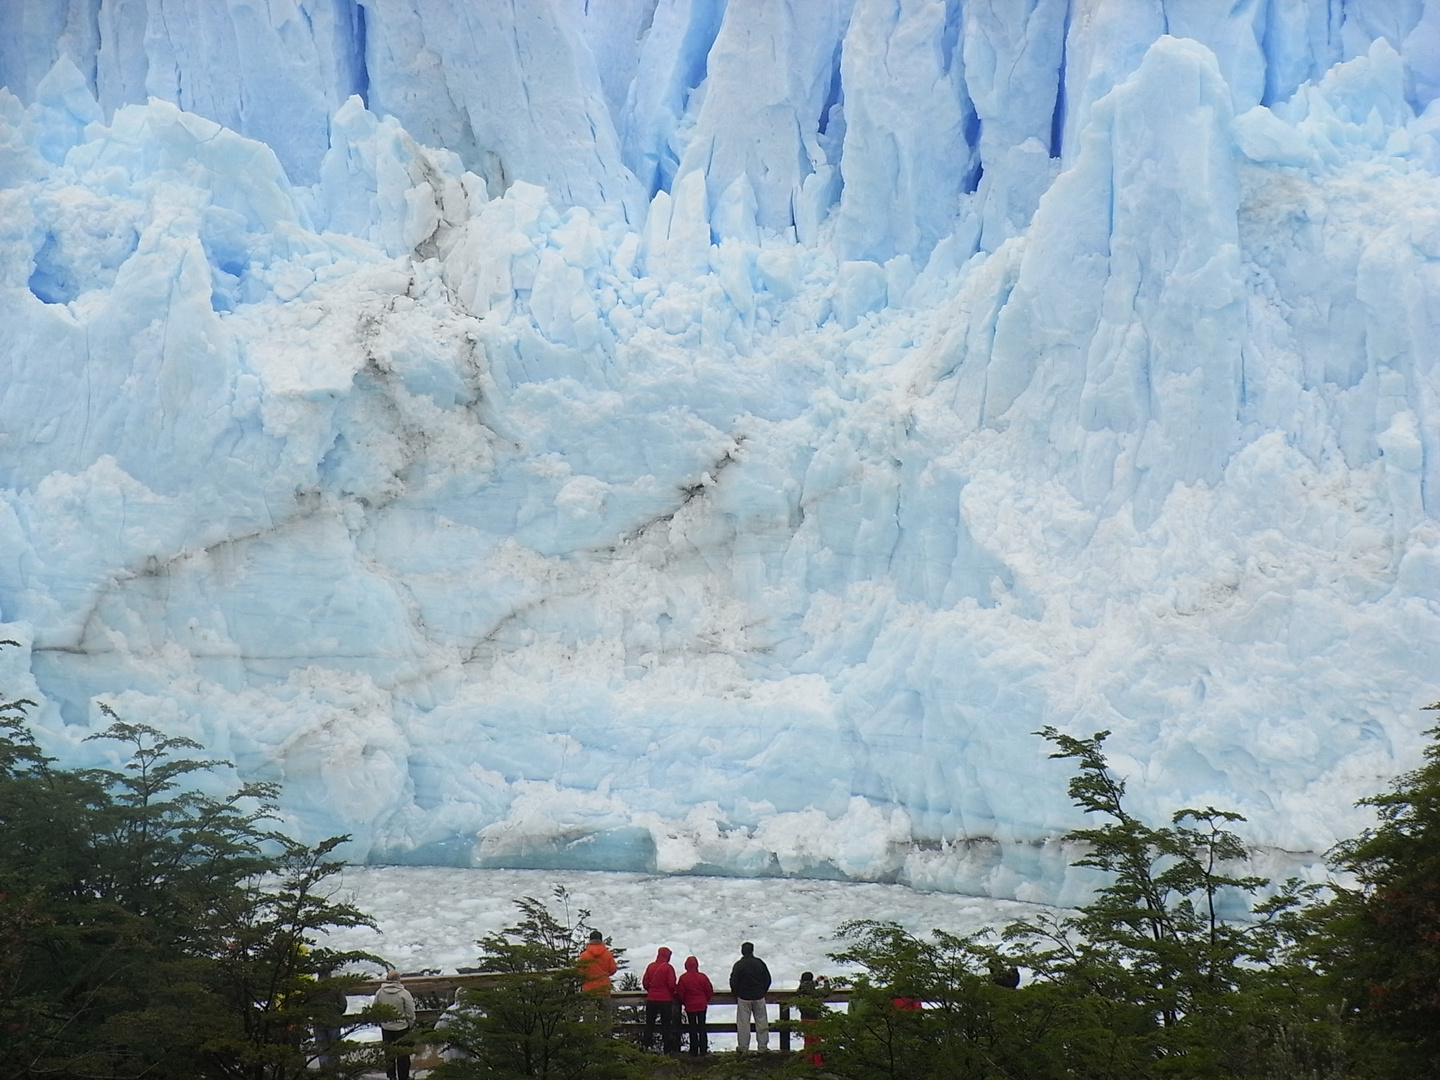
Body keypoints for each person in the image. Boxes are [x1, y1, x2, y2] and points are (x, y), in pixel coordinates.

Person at [372, 970, 416, 1080]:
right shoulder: (404, 993)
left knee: (389, 1054)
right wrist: (409, 1024)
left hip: (386, 1028)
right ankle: (403, 1076)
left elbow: (375, 1009)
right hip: (402, 1028)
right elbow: (410, 1012)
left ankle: (391, 1076)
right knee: (403, 1055)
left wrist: (381, 1022)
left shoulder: (380, 992)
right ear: (398, 979)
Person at [729, 941, 771, 1052]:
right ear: (752, 950)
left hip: (744, 997)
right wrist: (762, 991)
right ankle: (763, 1047)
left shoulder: (739, 965)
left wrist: (736, 993)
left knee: (743, 1023)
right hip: (758, 996)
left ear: (742, 951)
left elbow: (733, 981)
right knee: (761, 1021)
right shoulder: (759, 963)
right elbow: (767, 979)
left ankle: (743, 1047)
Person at [577, 929, 619, 1029]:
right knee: (606, 1017)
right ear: (601, 940)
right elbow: (613, 969)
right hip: (604, 989)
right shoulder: (607, 954)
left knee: (588, 1017)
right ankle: (606, 1039)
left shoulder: (584, 955)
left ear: (590, 940)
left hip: (589, 990)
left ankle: (589, 1040)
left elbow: (579, 972)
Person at [641, 946, 680, 1053]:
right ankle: (667, 1050)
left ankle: (645, 1048)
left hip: (652, 999)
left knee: (649, 1024)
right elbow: (672, 985)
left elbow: (645, 983)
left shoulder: (651, 966)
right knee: (666, 1026)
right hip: (665, 1000)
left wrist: (652, 990)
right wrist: (669, 992)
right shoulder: (668, 968)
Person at [675, 955, 714, 1056]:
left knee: (692, 1028)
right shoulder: (703, 977)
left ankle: (694, 1051)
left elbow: (680, 993)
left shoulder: (683, 978)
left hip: (690, 1006)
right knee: (702, 1027)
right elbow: (709, 990)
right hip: (701, 1005)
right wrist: (705, 1000)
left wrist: (685, 1001)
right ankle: (704, 1050)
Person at [312, 971, 349, 1068]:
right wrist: (337, 1013)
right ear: (329, 975)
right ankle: (334, 1070)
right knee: (335, 1048)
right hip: (333, 1021)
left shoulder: (313, 989)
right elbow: (343, 1004)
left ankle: (324, 1070)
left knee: (322, 1048)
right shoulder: (335, 988)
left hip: (318, 1022)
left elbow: (308, 1006)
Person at [795, 971, 825, 1066]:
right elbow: (826, 992)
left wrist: (817, 981)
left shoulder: (800, 990)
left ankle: (808, 1061)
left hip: (804, 1018)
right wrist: (826, 982)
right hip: (815, 1019)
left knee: (808, 1041)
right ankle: (817, 1062)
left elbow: (808, 987)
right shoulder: (814, 992)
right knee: (816, 1041)